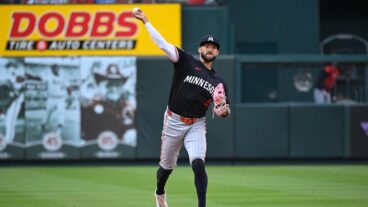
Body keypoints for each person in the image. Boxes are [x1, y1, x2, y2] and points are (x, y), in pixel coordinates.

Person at [133, 8, 230, 207]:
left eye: (213, 47)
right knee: (166, 168)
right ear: (199, 49)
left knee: (198, 164)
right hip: (173, 121)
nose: (209, 49)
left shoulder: (218, 81)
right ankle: (160, 193)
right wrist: (146, 22)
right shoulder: (186, 61)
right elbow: (162, 44)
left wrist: (223, 110)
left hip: (196, 124)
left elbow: (223, 111)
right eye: (206, 46)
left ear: (218, 52)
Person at [0, 62, 25, 144]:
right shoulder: (5, 76)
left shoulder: (19, 77)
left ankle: (8, 142)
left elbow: (17, 92)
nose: (10, 69)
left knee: (10, 123)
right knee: (7, 122)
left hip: (14, 101)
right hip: (4, 100)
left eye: (12, 68)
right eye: (8, 68)